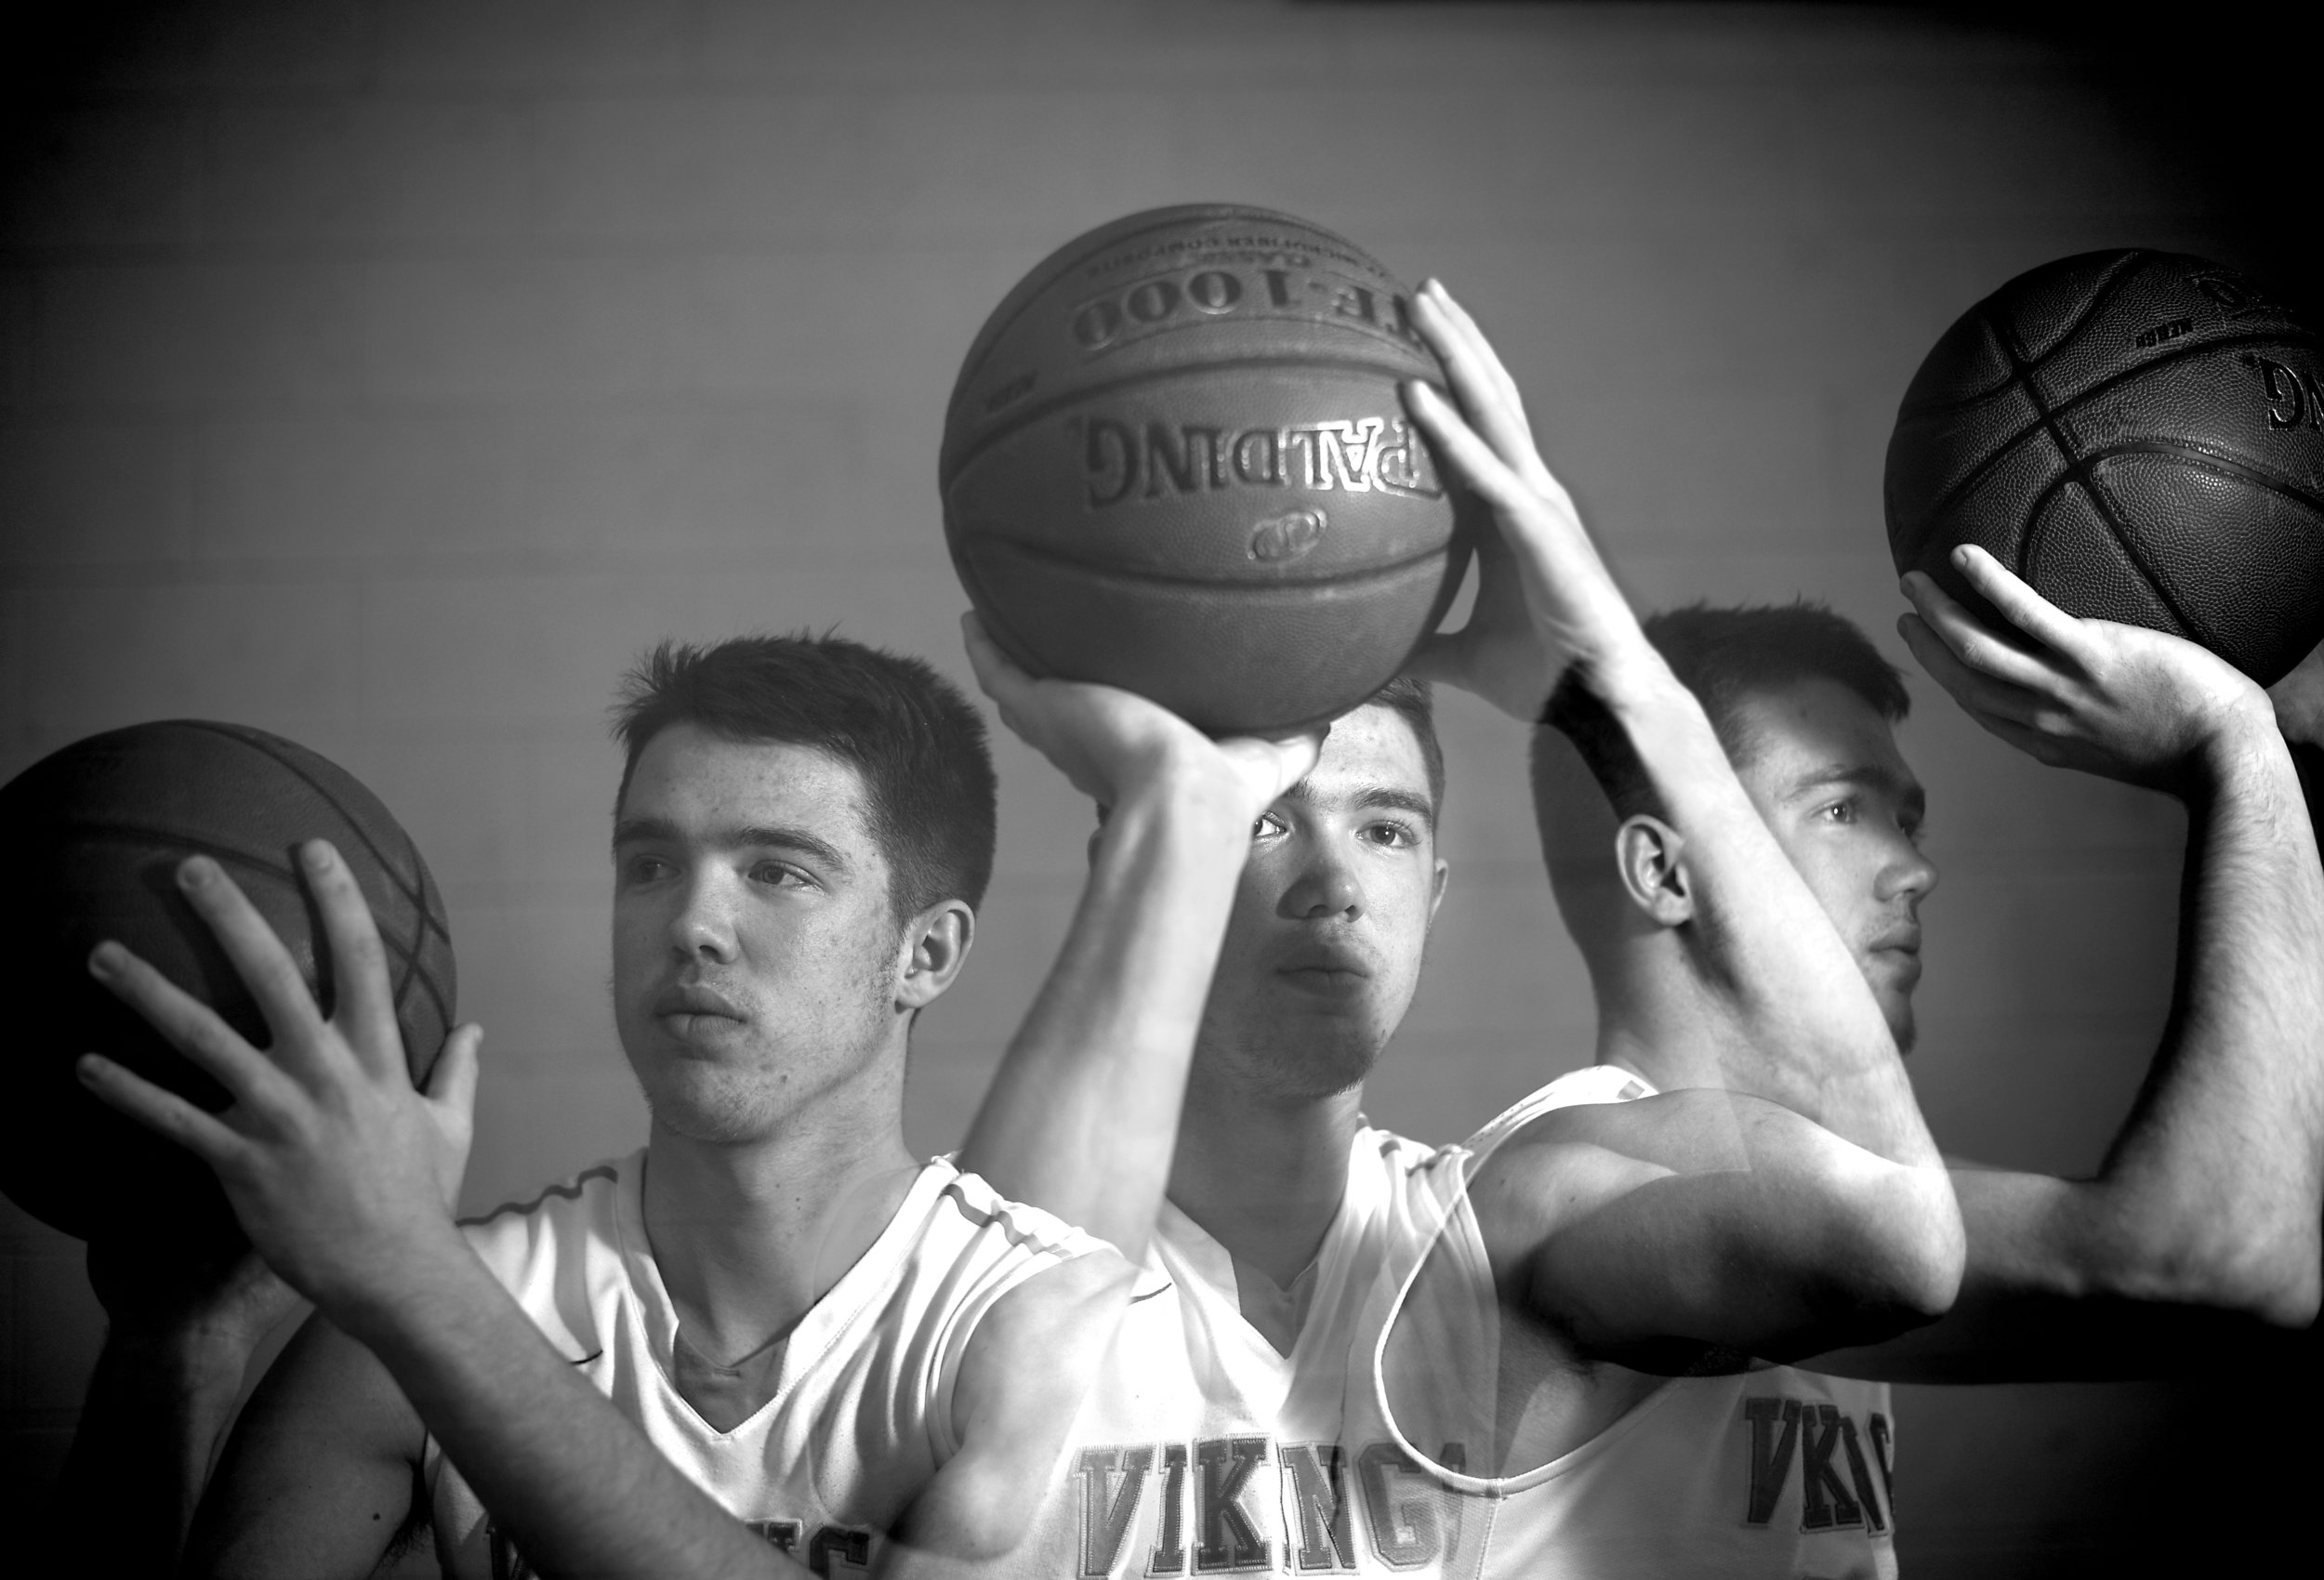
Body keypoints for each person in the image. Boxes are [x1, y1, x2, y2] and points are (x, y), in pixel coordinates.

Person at [953, 278, 1967, 1576]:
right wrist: (1175, 801)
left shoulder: (1506, 1224)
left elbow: (1901, 1243)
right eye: (1264, 821)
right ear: (1155, 857)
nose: (1334, 879)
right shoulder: (966, 1246)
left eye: (1385, 828)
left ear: (1434, 889)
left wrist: (1611, 675)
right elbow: (972, 1377)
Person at [76, 633, 1202, 1579]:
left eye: (777, 870)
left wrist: (410, 1278)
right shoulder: (426, 1318)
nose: (692, 924)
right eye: (652, 865)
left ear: (926, 951)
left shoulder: (1062, 1323)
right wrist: (179, 1341)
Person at [1369, 555, 2324, 1573]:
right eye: (1840, 807)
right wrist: (2238, 747)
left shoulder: (1815, 1190)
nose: (1915, 866)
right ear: (1665, 869)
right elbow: (2222, 1257)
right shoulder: (1603, 1180)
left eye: (1903, 816)